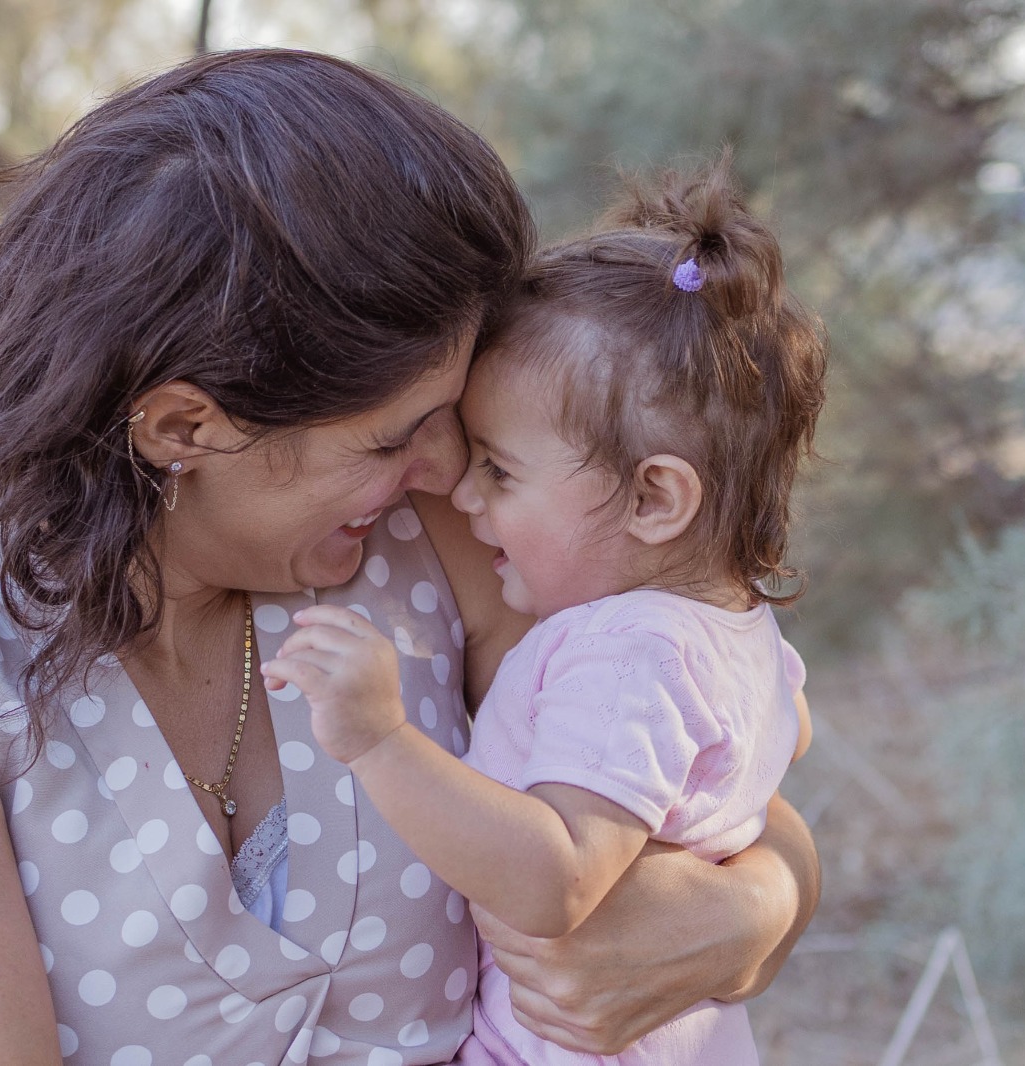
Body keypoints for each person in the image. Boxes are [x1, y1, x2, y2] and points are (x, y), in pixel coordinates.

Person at [0, 50, 820, 1066]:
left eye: (452, 419)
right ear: (182, 426)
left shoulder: (426, 530)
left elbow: (701, 769)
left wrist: (756, 907)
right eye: (393, 436)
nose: (450, 467)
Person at [263, 158, 826, 1066]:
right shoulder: (738, 631)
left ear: (654, 500)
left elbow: (554, 881)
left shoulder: (627, 652)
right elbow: (787, 733)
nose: (465, 494)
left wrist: (379, 739)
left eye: (501, 470)